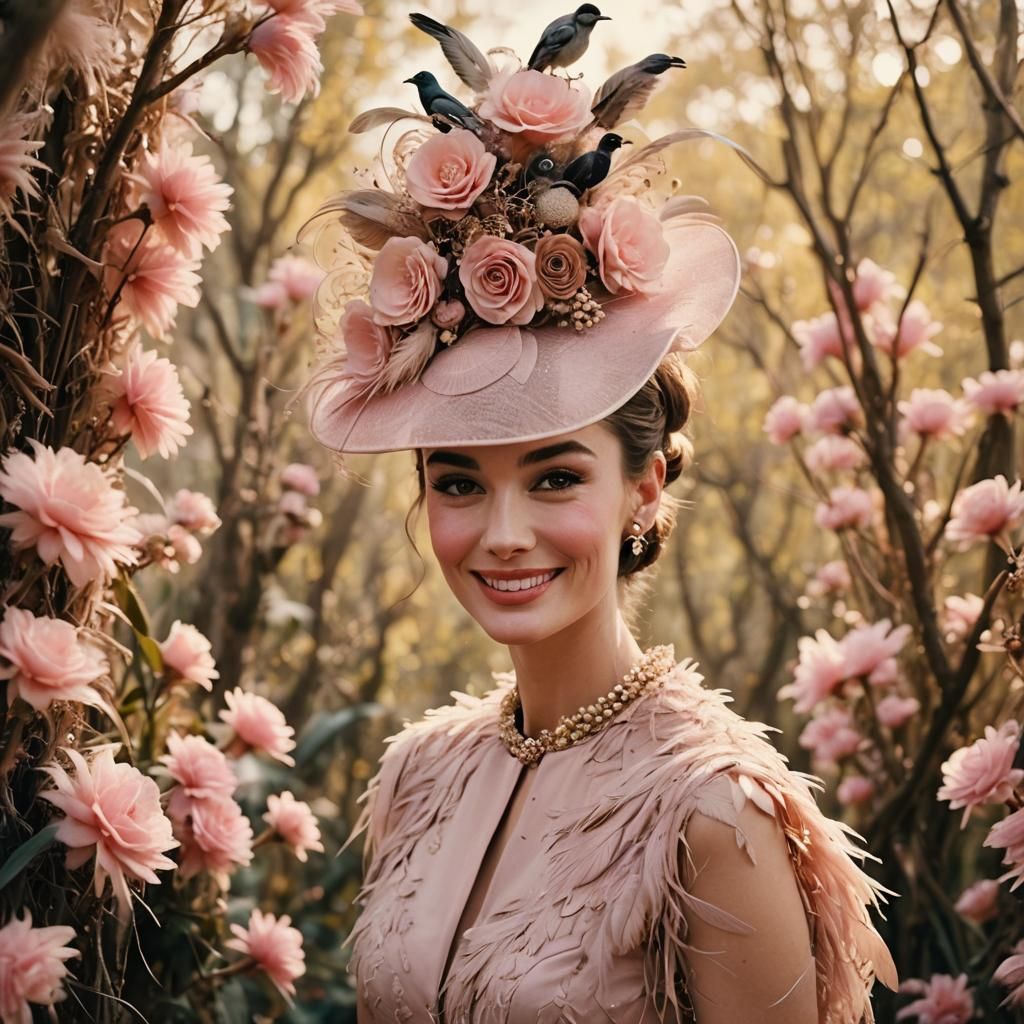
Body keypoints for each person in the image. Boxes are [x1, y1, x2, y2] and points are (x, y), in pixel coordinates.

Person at [297, 12, 899, 1022]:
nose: (500, 532)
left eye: (553, 478)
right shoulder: (416, 776)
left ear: (647, 486)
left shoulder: (714, 816)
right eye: (456, 482)